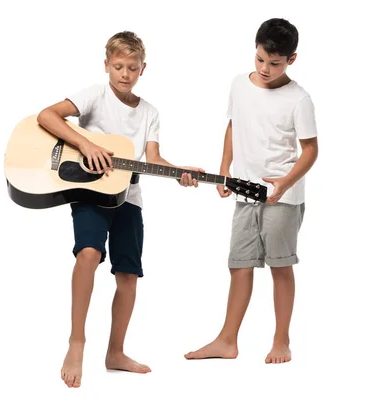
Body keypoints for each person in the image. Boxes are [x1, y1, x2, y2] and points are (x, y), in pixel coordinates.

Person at [37, 31, 204, 387]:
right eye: (117, 67)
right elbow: (47, 116)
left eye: (132, 68)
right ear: (106, 65)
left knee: (128, 275)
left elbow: (154, 159)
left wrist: (180, 174)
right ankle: (76, 341)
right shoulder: (95, 96)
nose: (124, 74)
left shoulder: (150, 113)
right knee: (87, 253)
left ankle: (115, 352)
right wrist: (85, 143)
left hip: (129, 197)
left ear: (143, 69)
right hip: (91, 193)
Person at [184, 18, 318, 364]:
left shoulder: (299, 99)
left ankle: (281, 340)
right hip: (244, 191)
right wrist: (224, 170)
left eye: (275, 63)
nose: (265, 68)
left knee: (279, 265)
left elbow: (311, 151)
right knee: (239, 265)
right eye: (260, 59)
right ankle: (227, 341)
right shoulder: (239, 85)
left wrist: (286, 182)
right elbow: (233, 126)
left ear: (292, 59)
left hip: (282, 197)